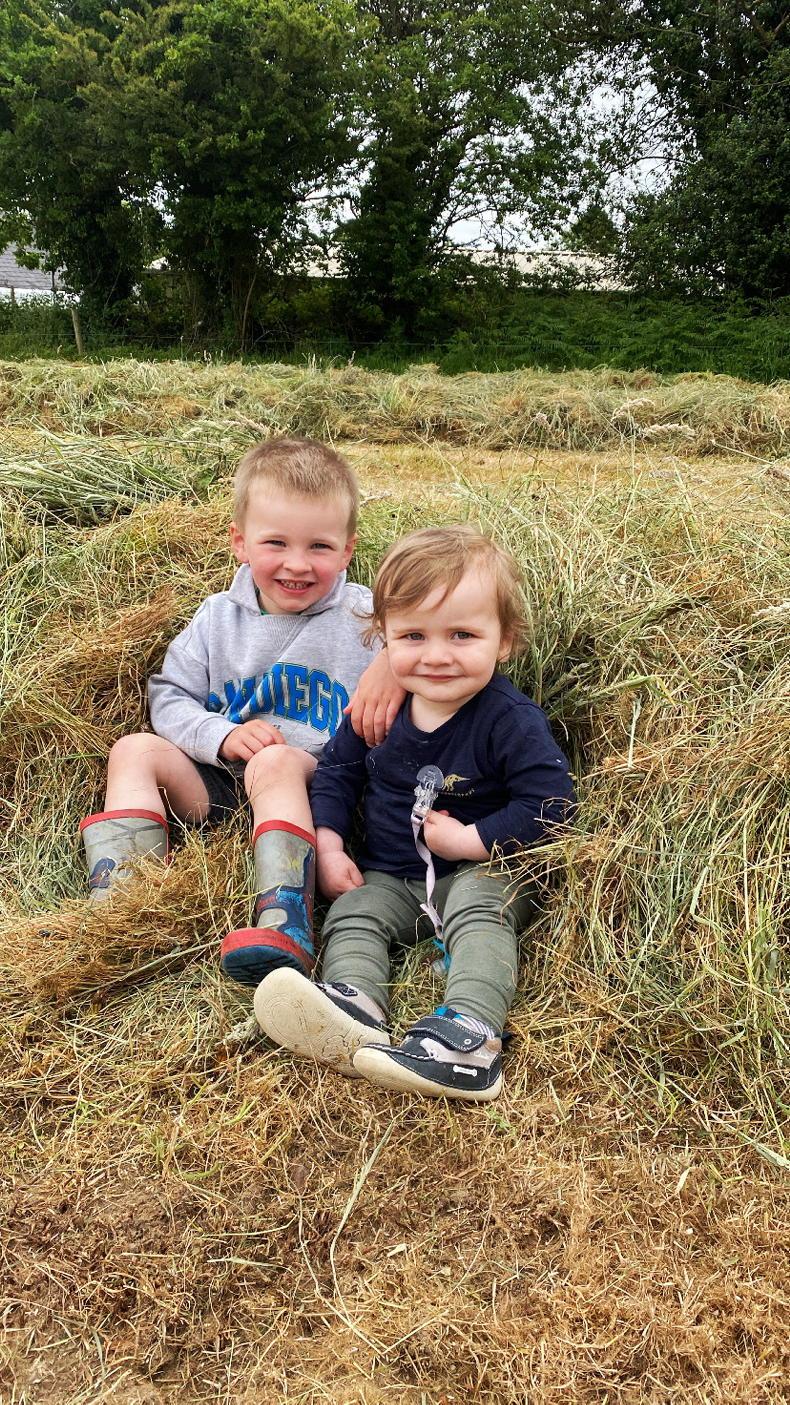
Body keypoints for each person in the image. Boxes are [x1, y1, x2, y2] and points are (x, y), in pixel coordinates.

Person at [253, 524, 575, 1101]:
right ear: (383, 638)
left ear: (503, 641)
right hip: (391, 874)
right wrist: (329, 842)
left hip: (482, 869)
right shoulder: (380, 711)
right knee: (354, 912)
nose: (437, 656)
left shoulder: (509, 720)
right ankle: (354, 1005)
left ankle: (469, 1035)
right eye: (413, 636)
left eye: (462, 635)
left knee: (481, 913)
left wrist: (472, 840)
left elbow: (551, 805)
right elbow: (338, 772)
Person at [78, 436, 403, 986]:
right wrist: (219, 735)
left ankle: (286, 918)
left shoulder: (367, 617)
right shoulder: (216, 618)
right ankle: (124, 902)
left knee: (275, 762)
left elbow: (432, 644)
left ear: (347, 551)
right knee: (133, 750)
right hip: (223, 782)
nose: (297, 564)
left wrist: (391, 661)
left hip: (319, 784)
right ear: (240, 542)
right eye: (276, 542)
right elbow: (169, 695)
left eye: (319, 547)